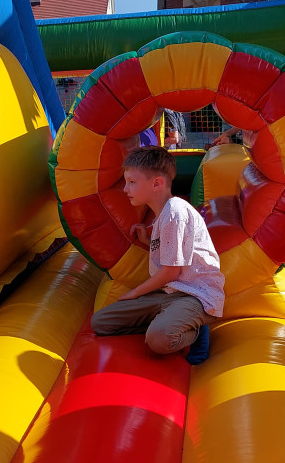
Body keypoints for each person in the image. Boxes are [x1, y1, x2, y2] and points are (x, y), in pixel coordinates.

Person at [92, 146, 225, 364]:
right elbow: (173, 253)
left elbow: (171, 272)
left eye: (132, 182)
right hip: (167, 295)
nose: (125, 189)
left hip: (195, 296)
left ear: (156, 184)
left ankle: (196, 329)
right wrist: (147, 241)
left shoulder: (175, 212)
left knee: (159, 340)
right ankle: (169, 320)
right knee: (101, 322)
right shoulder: (162, 214)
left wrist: (134, 293)